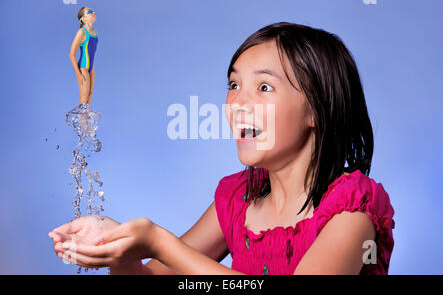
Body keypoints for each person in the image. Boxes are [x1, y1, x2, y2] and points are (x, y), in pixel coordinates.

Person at [49, 22, 395, 275]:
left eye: (263, 86)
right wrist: (118, 247)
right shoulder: (237, 200)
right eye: (233, 84)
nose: (238, 102)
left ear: (317, 109)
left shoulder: (352, 212)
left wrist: (158, 242)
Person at [68, 7, 98, 108]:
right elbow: (71, 54)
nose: (93, 12)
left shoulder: (95, 33)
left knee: (90, 96)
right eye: (90, 12)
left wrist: (92, 69)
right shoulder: (82, 32)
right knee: (84, 100)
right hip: (83, 68)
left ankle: (85, 123)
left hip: (91, 68)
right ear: (83, 18)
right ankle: (82, 123)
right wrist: (78, 73)